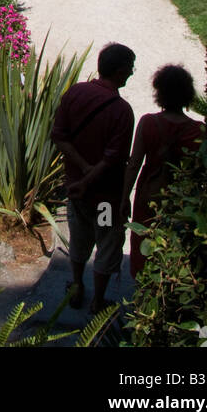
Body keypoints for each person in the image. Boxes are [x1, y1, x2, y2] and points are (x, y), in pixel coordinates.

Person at [51, 42, 136, 314]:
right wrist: (90, 175)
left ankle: (76, 287)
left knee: (79, 240)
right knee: (107, 244)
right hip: (105, 200)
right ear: (120, 70)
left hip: (77, 192)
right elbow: (113, 159)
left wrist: (81, 170)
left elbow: (59, 137)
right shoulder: (122, 111)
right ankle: (98, 300)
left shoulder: (75, 93)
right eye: (130, 68)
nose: (132, 74)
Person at [123, 65, 204, 280]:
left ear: (159, 93)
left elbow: (134, 164)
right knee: (176, 249)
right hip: (181, 199)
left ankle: (143, 299)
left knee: (143, 246)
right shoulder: (198, 130)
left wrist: (123, 199)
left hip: (149, 193)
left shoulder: (149, 123)